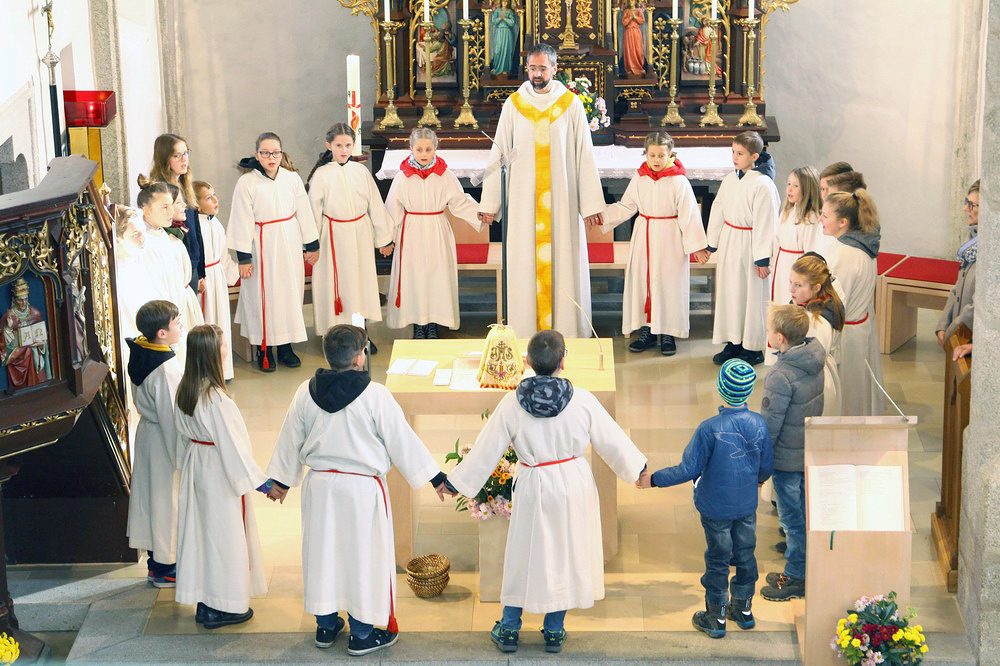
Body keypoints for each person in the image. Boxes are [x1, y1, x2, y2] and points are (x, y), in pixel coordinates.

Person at [449, 330, 647, 654]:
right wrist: (638, 469)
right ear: (563, 361)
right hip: (573, 483)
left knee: (524, 554)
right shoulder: (582, 400)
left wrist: (454, 483)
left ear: (527, 362)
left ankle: (509, 628)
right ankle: (554, 630)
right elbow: (612, 440)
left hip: (533, 482)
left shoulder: (511, 403)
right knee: (565, 554)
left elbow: (486, 449)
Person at [264, 325, 452, 656]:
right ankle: (362, 633)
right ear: (358, 358)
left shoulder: (305, 391)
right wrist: (436, 477)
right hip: (361, 491)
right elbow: (402, 439)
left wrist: (279, 481)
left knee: (323, 554)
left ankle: (325, 625)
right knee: (362, 558)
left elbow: (289, 439)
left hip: (320, 488)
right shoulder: (375, 395)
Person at [636, 358, 772, 638]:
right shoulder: (759, 423)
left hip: (715, 507)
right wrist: (757, 481)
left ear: (721, 389)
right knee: (746, 553)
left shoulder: (709, 428)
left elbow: (688, 469)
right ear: (749, 391)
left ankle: (716, 616)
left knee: (718, 558)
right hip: (746, 505)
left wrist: (654, 479)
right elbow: (766, 464)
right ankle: (744, 610)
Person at [478, 43, 606, 339]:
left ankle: (566, 332)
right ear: (527, 69)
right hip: (523, 205)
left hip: (561, 203)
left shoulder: (570, 104)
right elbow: (501, 154)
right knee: (524, 265)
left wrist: (590, 205)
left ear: (555, 69)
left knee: (563, 262)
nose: (537, 74)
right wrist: (490, 202)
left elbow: (584, 155)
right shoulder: (514, 105)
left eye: (543, 69)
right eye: (532, 68)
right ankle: (525, 334)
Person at [174, 324, 268, 629]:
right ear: (213, 354)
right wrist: (264, 484)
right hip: (218, 472)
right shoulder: (217, 399)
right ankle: (224, 606)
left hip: (196, 465)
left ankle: (205, 603)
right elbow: (234, 448)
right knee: (224, 538)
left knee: (201, 536)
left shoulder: (185, 390)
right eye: (223, 346)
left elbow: (181, 436)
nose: (226, 350)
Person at [602, 131, 708, 355]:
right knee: (644, 282)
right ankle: (648, 331)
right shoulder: (640, 178)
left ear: (670, 154)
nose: (657, 160)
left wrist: (697, 247)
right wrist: (601, 217)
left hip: (670, 238)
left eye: (661, 155)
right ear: (646, 154)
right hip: (645, 235)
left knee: (669, 282)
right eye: (652, 155)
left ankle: (668, 332)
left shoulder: (678, 181)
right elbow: (626, 206)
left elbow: (689, 215)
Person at [228, 132, 320, 372]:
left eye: (276, 153)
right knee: (264, 296)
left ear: (282, 153)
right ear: (257, 154)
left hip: (289, 241)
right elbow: (241, 220)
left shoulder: (291, 179)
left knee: (288, 294)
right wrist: (244, 258)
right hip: (261, 245)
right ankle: (265, 347)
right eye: (266, 153)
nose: (271, 157)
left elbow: (304, 212)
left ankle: (286, 346)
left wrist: (312, 245)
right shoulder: (247, 182)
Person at [756, 305, 824, 603]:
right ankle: (804, 563)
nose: (767, 334)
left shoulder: (780, 375)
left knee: (792, 519)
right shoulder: (813, 359)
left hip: (786, 457)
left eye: (769, 330)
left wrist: (761, 464)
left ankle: (796, 577)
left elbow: (770, 426)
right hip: (806, 448)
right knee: (803, 513)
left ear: (780, 338)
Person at [385, 128, 481, 339]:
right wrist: (387, 239)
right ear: (411, 148)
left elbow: (459, 202)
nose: (424, 153)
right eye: (419, 149)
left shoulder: (445, 175)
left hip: (437, 229)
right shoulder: (402, 176)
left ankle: (433, 323)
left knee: (437, 276)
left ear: (435, 148)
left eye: (428, 149)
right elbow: (392, 208)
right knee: (415, 276)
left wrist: (481, 214)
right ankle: (418, 324)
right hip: (411, 231)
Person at [308, 123, 394, 348]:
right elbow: (313, 211)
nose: (344, 150)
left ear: (353, 145)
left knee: (359, 285)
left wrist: (384, 239)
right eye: (339, 145)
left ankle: (361, 333)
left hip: (360, 234)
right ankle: (335, 336)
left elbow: (375, 204)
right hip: (332, 237)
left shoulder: (360, 172)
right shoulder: (321, 175)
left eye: (348, 145)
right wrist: (311, 245)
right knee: (337, 286)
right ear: (329, 146)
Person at [706, 131, 780, 366]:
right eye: (733, 152)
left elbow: (766, 222)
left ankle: (753, 347)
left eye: (740, 153)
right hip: (731, 240)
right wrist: (712, 242)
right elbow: (718, 209)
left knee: (751, 296)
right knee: (732, 293)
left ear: (754, 156)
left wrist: (762, 259)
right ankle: (734, 341)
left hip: (750, 245)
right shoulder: (730, 179)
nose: (734, 158)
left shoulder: (763, 185)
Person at [125, 300, 184, 588]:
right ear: (162, 333)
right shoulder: (166, 369)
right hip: (163, 439)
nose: (181, 325)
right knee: (166, 503)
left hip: (148, 434)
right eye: (176, 321)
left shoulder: (141, 350)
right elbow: (171, 416)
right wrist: (182, 458)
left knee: (151, 501)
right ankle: (166, 568)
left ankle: (154, 564)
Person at [821, 189, 884, 416]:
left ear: (843, 222)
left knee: (848, 394)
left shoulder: (846, 254)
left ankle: (848, 430)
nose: (820, 219)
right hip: (858, 328)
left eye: (825, 215)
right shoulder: (860, 245)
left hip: (846, 335)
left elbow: (835, 301)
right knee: (857, 388)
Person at [136, 181, 204, 364]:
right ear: (145, 209)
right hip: (163, 318)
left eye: (170, 206)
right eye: (164, 207)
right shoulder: (144, 242)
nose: (170, 212)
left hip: (178, 308)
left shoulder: (165, 235)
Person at [147, 133, 205, 295]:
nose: (184, 159)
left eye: (186, 153)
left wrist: (201, 271)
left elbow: (196, 229)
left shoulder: (185, 184)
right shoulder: (160, 191)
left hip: (192, 262)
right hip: (177, 265)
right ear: (165, 159)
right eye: (177, 155)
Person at [193, 181, 239, 380]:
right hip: (205, 280)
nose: (215, 200)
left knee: (221, 320)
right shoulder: (196, 226)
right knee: (207, 321)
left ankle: (223, 369)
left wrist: (235, 274)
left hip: (218, 277)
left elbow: (223, 255)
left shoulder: (216, 223)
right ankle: (206, 371)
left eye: (214, 195)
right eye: (208, 198)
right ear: (196, 204)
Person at [789, 253, 844, 416]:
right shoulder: (823, 303)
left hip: (814, 385)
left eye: (798, 285)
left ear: (816, 288)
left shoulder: (815, 320)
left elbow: (807, 359)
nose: (791, 289)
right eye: (790, 282)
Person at [771, 166, 823, 309]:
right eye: (788, 184)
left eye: (795, 186)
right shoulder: (787, 212)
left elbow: (811, 253)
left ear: (808, 189)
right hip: (781, 267)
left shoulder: (811, 218)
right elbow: (777, 241)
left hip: (797, 268)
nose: (789, 189)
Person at [936, 180, 979, 345]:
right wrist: (943, 324)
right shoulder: (972, 241)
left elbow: (978, 305)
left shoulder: (991, 251)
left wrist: (952, 331)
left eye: (972, 205)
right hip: (958, 332)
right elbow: (957, 288)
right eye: (967, 202)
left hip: (972, 337)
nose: (965, 208)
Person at [1, 277, 50, 389]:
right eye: (20, 299)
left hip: (35, 358)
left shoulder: (35, 313)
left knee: (39, 386)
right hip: (18, 361)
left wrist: (41, 344)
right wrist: (7, 329)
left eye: (25, 299)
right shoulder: (8, 317)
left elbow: (43, 336)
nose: (23, 302)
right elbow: (4, 346)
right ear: (14, 299)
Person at [489, 0, 519, 76]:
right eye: (503, 1)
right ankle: (497, 67)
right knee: (497, 50)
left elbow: (512, 23)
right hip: (499, 32)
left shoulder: (509, 11)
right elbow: (493, 21)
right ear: (501, 2)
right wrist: (500, 18)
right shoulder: (497, 11)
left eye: (506, 1)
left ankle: (506, 69)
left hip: (507, 32)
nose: (504, 3)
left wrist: (505, 19)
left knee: (506, 50)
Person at [621, 0, 646, 75]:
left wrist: (635, 17)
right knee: (629, 50)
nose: (631, 2)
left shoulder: (639, 10)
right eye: (630, 1)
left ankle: (639, 67)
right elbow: (624, 22)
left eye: (633, 0)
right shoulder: (626, 11)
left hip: (636, 32)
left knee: (638, 49)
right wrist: (629, 18)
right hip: (628, 32)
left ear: (635, 2)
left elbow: (642, 21)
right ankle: (630, 68)